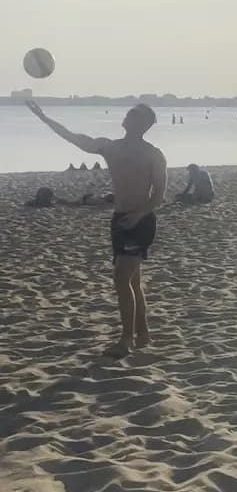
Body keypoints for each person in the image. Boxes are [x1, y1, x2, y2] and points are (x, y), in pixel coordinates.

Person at [26, 100, 167, 358]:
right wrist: (44, 118)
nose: (127, 116)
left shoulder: (153, 154)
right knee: (133, 280)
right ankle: (143, 334)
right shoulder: (110, 147)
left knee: (121, 278)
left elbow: (158, 196)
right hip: (119, 220)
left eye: (132, 114)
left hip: (141, 222)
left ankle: (126, 341)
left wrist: (137, 215)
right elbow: (74, 138)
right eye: (128, 112)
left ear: (142, 123)